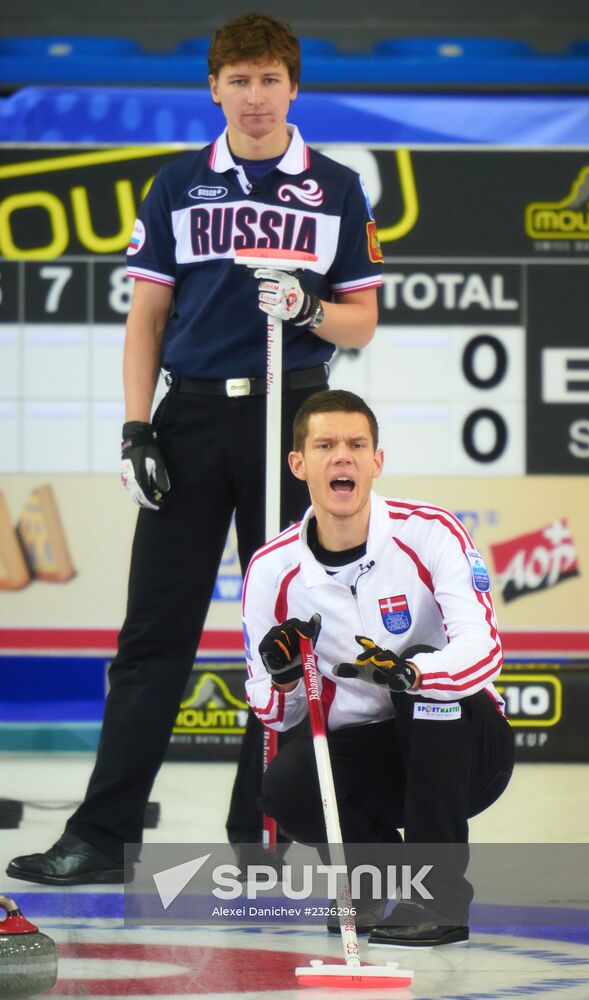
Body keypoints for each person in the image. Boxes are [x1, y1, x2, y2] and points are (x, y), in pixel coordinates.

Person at [6, 15, 382, 887]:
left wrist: (309, 312)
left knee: (287, 632)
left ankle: (263, 832)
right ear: (213, 89)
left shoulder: (335, 188)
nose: (255, 97)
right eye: (239, 80)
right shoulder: (179, 184)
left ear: (295, 88)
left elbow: (361, 317)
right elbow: (145, 319)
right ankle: (102, 840)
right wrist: (138, 429)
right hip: (193, 417)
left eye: (270, 79)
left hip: (293, 418)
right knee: (152, 638)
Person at [242, 388, 515, 947]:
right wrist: (285, 675)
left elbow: (484, 649)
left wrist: (412, 676)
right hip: (371, 757)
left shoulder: (430, 532)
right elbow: (273, 712)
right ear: (299, 464)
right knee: (287, 785)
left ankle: (438, 898)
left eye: (356, 444)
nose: (342, 456)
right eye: (325, 445)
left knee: (422, 679)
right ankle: (372, 876)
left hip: (465, 752)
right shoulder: (272, 570)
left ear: (377, 461)